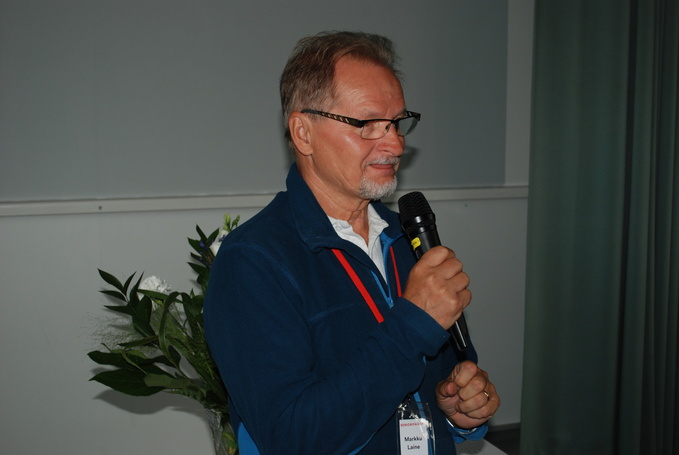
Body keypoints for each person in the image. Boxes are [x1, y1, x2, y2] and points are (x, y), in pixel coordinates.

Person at [204, 31, 500, 455]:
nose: (395, 144)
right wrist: (411, 325)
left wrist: (457, 409)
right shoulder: (253, 262)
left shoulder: (408, 238)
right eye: (367, 124)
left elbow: (445, 376)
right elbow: (293, 438)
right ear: (303, 133)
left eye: (397, 122)